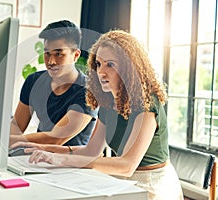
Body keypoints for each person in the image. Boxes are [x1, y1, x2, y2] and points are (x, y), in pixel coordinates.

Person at [24, 30, 184, 200]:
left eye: (110, 65)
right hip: (123, 181)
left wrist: (61, 160)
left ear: (129, 67)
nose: (101, 72)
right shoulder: (108, 103)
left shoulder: (146, 102)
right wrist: (46, 150)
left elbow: (127, 165)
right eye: (99, 64)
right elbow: (91, 151)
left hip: (152, 184)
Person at [9, 20, 98, 149]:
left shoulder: (89, 91)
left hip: (71, 164)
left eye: (58, 54)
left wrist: (7, 141)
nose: (51, 61)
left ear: (76, 55)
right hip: (36, 158)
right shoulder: (33, 81)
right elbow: (16, 126)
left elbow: (54, 139)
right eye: (47, 53)